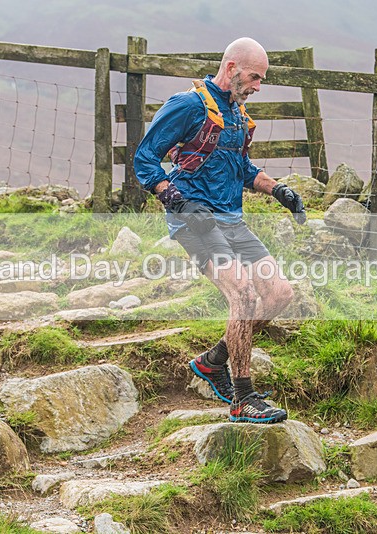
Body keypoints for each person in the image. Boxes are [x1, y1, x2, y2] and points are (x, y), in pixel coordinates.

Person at [134, 37, 307, 424]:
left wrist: (278, 190)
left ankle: (212, 362)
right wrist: (171, 195)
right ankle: (243, 398)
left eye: (261, 80)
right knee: (243, 294)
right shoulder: (187, 106)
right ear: (231, 68)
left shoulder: (235, 115)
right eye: (254, 77)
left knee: (280, 294)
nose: (258, 86)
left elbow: (242, 168)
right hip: (195, 220)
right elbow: (144, 158)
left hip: (232, 219)